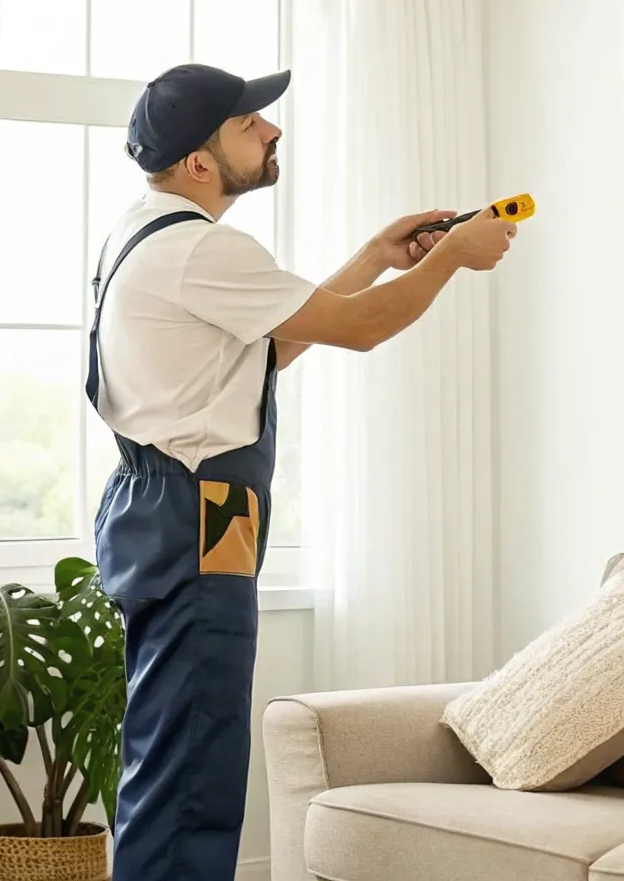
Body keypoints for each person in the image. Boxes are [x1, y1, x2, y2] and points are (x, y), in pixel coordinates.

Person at [86, 62, 516, 881]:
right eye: (250, 123)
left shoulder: (143, 232)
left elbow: (264, 349)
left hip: (168, 501)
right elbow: (360, 331)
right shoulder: (199, 248)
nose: (272, 129)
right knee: (193, 759)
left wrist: (376, 257)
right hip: (202, 508)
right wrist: (453, 256)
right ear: (200, 162)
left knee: (172, 741)